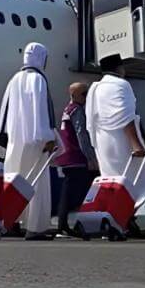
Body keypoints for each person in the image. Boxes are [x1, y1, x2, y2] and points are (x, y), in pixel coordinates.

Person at [0, 42, 58, 240]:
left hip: (15, 141)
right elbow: (43, 112)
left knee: (13, 182)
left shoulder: (14, 79)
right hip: (36, 142)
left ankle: (8, 223)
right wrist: (48, 138)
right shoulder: (39, 79)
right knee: (37, 185)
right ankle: (36, 228)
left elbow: (4, 112)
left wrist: (2, 139)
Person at [86, 54, 145, 213]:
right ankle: (125, 214)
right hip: (121, 141)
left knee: (111, 180)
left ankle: (113, 214)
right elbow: (126, 118)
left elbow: (91, 120)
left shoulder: (95, 87)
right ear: (119, 68)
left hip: (102, 140)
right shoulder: (121, 84)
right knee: (143, 178)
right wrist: (136, 144)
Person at [55, 82, 98, 235]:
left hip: (66, 157)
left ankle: (64, 224)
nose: (86, 97)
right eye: (84, 94)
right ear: (73, 95)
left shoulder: (67, 110)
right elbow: (81, 134)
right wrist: (91, 157)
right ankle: (72, 223)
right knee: (82, 191)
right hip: (76, 157)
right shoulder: (77, 110)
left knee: (68, 191)